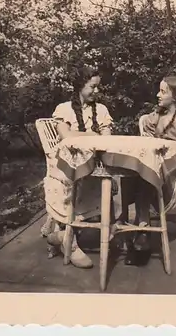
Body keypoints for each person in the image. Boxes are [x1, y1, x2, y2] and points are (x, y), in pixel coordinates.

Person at [123, 75, 176, 266]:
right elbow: (146, 140)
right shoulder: (157, 114)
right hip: (160, 160)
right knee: (135, 170)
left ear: (175, 96)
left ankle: (142, 229)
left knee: (149, 173)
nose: (158, 95)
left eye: (163, 91)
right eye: (159, 90)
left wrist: (160, 147)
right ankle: (138, 223)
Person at [43, 65, 113, 269]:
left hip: (93, 160)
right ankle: (70, 242)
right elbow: (65, 136)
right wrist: (90, 136)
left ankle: (61, 236)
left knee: (108, 172)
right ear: (79, 86)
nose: (97, 91)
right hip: (65, 163)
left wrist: (97, 140)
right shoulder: (64, 109)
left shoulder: (101, 110)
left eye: (98, 87)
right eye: (93, 87)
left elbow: (107, 138)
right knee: (71, 172)